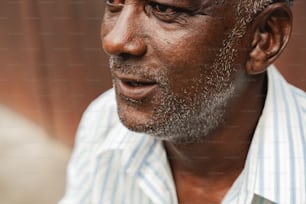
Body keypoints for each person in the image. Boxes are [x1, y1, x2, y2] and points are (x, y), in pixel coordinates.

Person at [60, 0, 306, 203]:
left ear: (263, 38)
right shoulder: (103, 122)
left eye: (165, 10)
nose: (115, 41)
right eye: (114, 3)